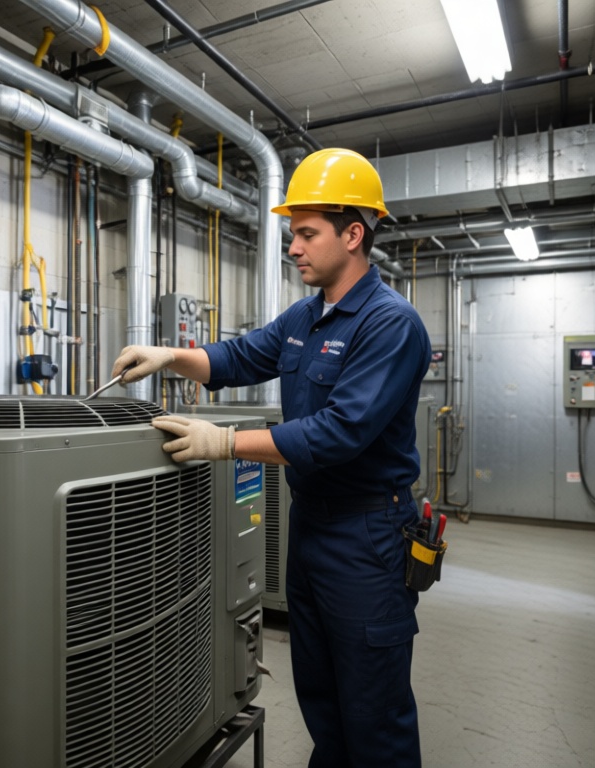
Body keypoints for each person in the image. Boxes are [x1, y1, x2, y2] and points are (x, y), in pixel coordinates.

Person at [112, 147, 431, 767]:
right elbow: (237, 357)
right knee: (322, 698)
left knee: (373, 711)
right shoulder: (307, 316)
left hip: (368, 535)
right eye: (292, 234)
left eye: (307, 234)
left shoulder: (391, 325)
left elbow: (338, 433)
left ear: (354, 234)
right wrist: (171, 355)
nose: (293, 248)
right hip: (311, 527)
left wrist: (226, 444)